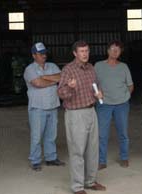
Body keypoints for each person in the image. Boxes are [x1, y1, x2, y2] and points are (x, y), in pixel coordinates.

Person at [58, 40, 106, 194]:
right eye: (82, 51)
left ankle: (90, 181)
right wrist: (69, 88)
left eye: (87, 51)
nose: (85, 54)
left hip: (91, 111)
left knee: (93, 149)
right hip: (76, 114)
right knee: (77, 150)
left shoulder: (91, 68)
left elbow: (97, 85)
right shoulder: (68, 70)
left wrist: (99, 93)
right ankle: (77, 186)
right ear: (75, 53)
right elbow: (61, 93)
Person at [23, 42, 65, 171]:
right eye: (40, 54)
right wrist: (53, 81)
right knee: (36, 136)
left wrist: (45, 77)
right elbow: (38, 83)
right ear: (33, 55)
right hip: (37, 108)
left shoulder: (52, 66)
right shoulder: (29, 69)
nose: (44, 56)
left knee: (51, 135)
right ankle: (35, 160)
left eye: (44, 53)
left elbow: (62, 77)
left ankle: (50, 158)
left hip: (52, 105)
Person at [94, 40, 134, 170]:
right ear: (107, 51)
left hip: (122, 104)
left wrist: (125, 96)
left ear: (120, 52)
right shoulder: (98, 66)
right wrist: (96, 93)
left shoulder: (124, 67)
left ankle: (124, 157)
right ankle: (102, 160)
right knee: (102, 134)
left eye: (118, 49)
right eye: (112, 49)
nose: (115, 51)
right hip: (104, 104)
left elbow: (130, 85)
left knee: (123, 132)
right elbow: (92, 83)